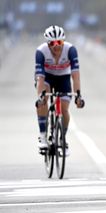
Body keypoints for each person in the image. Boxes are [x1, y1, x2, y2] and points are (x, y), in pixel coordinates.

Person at [35, 25, 85, 155]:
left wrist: (78, 95)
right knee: (43, 100)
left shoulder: (71, 50)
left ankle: (63, 140)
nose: (56, 46)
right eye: (53, 43)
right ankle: (43, 136)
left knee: (64, 108)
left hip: (63, 77)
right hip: (47, 77)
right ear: (48, 43)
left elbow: (76, 76)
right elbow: (40, 78)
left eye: (59, 42)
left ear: (63, 41)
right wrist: (40, 97)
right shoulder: (41, 51)